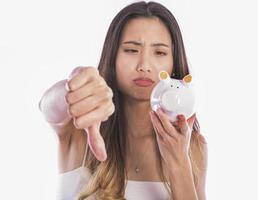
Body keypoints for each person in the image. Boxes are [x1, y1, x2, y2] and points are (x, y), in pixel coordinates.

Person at [39, 1, 208, 200]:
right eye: (131, 50)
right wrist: (73, 89)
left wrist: (179, 164)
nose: (144, 65)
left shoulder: (193, 147)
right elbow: (48, 107)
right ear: (113, 57)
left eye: (160, 52)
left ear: (173, 63)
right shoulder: (80, 130)